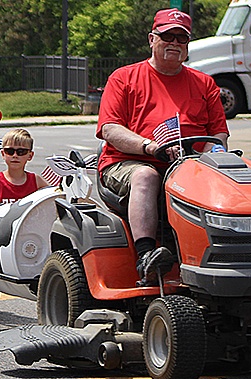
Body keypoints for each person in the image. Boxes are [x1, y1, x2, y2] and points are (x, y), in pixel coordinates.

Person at [96, 8, 229, 286]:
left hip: (189, 165)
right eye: (168, 36)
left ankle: (225, 258)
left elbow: (218, 136)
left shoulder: (205, 84)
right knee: (147, 176)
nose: (175, 44)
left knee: (234, 182)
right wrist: (149, 147)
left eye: (181, 39)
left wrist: (209, 161)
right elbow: (110, 129)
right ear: (151, 39)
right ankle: (145, 256)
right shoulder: (124, 78)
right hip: (129, 162)